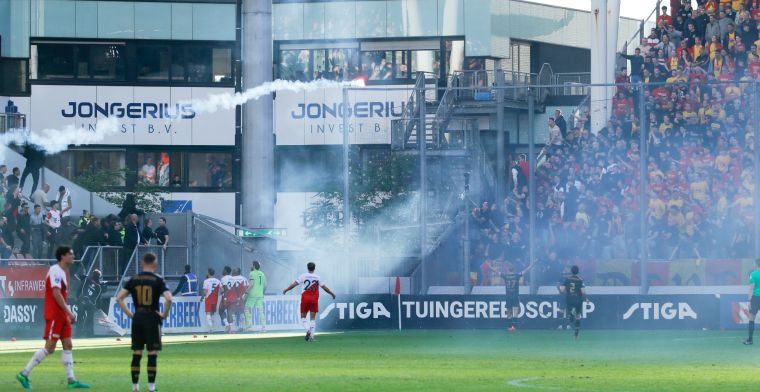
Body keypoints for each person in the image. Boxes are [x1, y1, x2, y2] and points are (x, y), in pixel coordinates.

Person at [16, 246, 90, 389]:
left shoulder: (64, 271)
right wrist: (69, 312)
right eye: (71, 254)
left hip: (62, 316)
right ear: (62, 256)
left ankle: (71, 380)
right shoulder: (56, 270)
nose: (73, 256)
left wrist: (67, 313)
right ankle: (24, 374)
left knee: (68, 344)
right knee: (49, 348)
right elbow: (56, 294)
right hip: (55, 315)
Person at [115, 252, 172, 392]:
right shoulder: (158, 279)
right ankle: (151, 387)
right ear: (155, 263)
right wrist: (164, 314)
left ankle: (135, 387)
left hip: (138, 318)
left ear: (142, 263)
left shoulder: (133, 279)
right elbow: (169, 298)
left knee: (137, 352)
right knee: (152, 352)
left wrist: (130, 314)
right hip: (152, 318)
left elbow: (119, 298)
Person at [282, 262, 336, 342]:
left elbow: (294, 284)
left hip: (305, 298)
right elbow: (324, 287)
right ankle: (312, 337)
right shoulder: (318, 277)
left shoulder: (303, 276)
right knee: (312, 319)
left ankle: (308, 330)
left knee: (303, 317)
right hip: (314, 299)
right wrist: (332, 293)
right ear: (314, 268)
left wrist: (286, 289)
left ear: (307, 268)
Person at [493, 262, 534, 332]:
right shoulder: (517, 275)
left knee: (509, 312)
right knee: (515, 312)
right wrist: (532, 265)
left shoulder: (505, 276)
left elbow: (496, 272)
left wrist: (490, 266)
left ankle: (509, 327)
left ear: (508, 270)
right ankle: (514, 327)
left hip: (508, 296)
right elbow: (526, 270)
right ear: (513, 270)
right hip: (515, 296)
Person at [557, 265, 588, 341]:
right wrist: (585, 299)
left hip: (569, 300)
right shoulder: (580, 280)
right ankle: (576, 336)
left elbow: (562, 291)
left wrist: (558, 288)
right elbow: (583, 292)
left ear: (571, 271)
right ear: (578, 272)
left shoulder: (567, 279)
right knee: (578, 317)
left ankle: (571, 314)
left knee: (570, 318)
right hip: (578, 300)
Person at [75, 269, 102, 338]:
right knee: (89, 319)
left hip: (82, 301)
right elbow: (97, 298)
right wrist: (95, 305)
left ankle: (78, 334)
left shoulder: (87, 279)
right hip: (90, 304)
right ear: (99, 277)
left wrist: (77, 297)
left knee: (80, 318)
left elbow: (80, 288)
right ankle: (89, 334)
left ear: (92, 274)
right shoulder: (99, 286)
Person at [244, 261, 267, 331]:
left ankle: (249, 326)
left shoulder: (252, 273)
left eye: (252, 265)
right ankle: (263, 327)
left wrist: (246, 292)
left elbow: (251, 284)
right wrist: (262, 292)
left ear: (254, 266)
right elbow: (265, 285)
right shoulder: (262, 274)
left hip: (252, 294)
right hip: (260, 295)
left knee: (246, 309)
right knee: (260, 311)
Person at [743, 259, 760, 345]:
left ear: (756, 264)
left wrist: (749, 300)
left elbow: (751, 288)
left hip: (756, 298)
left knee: (752, 318)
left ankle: (750, 340)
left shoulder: (753, 274)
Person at [201, 268, 221, 333]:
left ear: (208, 273)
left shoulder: (206, 281)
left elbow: (205, 292)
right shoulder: (218, 281)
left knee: (208, 313)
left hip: (208, 298)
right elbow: (222, 290)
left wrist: (202, 298)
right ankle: (211, 323)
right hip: (215, 299)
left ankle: (211, 328)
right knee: (212, 313)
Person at [219, 266, 236, 333]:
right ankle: (231, 328)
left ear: (226, 271)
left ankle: (226, 325)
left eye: (223, 270)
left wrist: (225, 298)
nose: (222, 271)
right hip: (233, 297)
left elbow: (225, 288)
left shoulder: (223, 278)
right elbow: (235, 288)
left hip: (226, 297)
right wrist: (237, 297)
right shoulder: (233, 278)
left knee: (220, 311)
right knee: (230, 312)